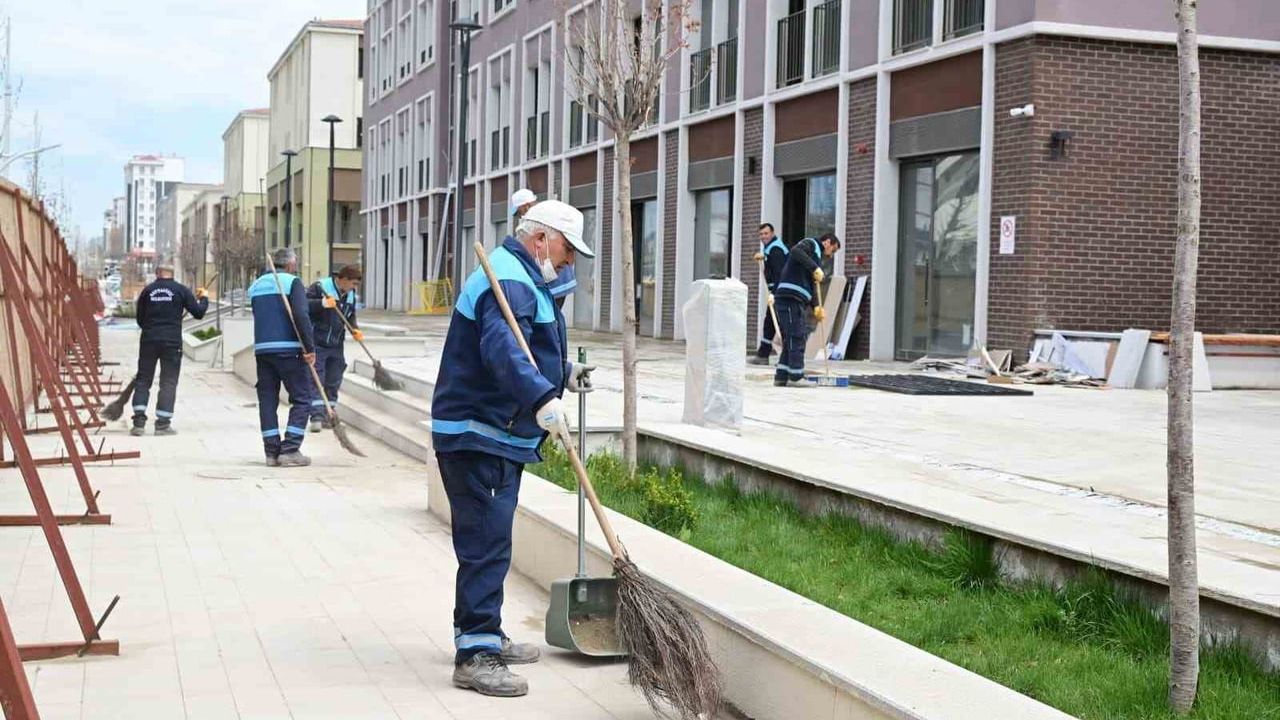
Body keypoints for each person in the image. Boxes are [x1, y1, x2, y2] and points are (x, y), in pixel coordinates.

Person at [431, 200, 597, 697]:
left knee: (490, 538)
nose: (569, 261)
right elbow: (501, 350)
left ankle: (482, 633)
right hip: (479, 431)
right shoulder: (510, 278)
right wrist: (542, 397)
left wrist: (560, 375)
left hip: (495, 431)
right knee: (486, 542)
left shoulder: (520, 274)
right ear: (541, 238)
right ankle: (476, 654)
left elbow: (525, 344)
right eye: (568, 249)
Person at [248, 248, 318, 467]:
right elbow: (301, 314)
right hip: (290, 349)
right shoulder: (292, 282)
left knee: (267, 400)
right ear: (290, 265)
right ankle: (290, 449)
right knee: (303, 397)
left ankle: (271, 452)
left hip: (263, 350)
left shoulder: (256, 286)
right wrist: (309, 347)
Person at [130, 264, 208, 436]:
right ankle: (162, 424)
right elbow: (199, 313)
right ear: (173, 274)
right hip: (171, 343)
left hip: (149, 341)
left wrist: (152, 328)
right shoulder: (181, 290)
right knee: (168, 381)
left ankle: (139, 422)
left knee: (143, 379)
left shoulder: (148, 291)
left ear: (158, 273)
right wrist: (204, 298)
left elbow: (140, 319)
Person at [773, 233, 840, 387]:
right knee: (796, 336)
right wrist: (814, 267)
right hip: (790, 297)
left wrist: (816, 306)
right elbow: (796, 251)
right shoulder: (810, 244)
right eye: (833, 250)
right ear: (828, 242)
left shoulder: (814, 257)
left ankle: (781, 376)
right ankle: (796, 377)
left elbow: (812, 284)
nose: (831, 255)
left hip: (797, 299)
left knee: (792, 336)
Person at [306, 265, 363, 433]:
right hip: (318, 342)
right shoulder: (320, 287)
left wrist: (354, 328)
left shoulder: (350, 295)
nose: (355, 288)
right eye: (353, 284)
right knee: (317, 378)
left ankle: (328, 416)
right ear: (343, 279)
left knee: (334, 379)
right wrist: (321, 303)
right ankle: (316, 416)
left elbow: (350, 315)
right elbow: (304, 306)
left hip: (336, 344)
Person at [749, 222, 788, 365]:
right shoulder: (770, 248)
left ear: (772, 233)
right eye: (761, 234)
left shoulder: (776, 249)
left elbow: (780, 274)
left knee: (782, 323)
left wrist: (775, 293)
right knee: (770, 322)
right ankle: (763, 354)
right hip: (775, 290)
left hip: (780, 291)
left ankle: (787, 358)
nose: (763, 236)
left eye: (766, 233)